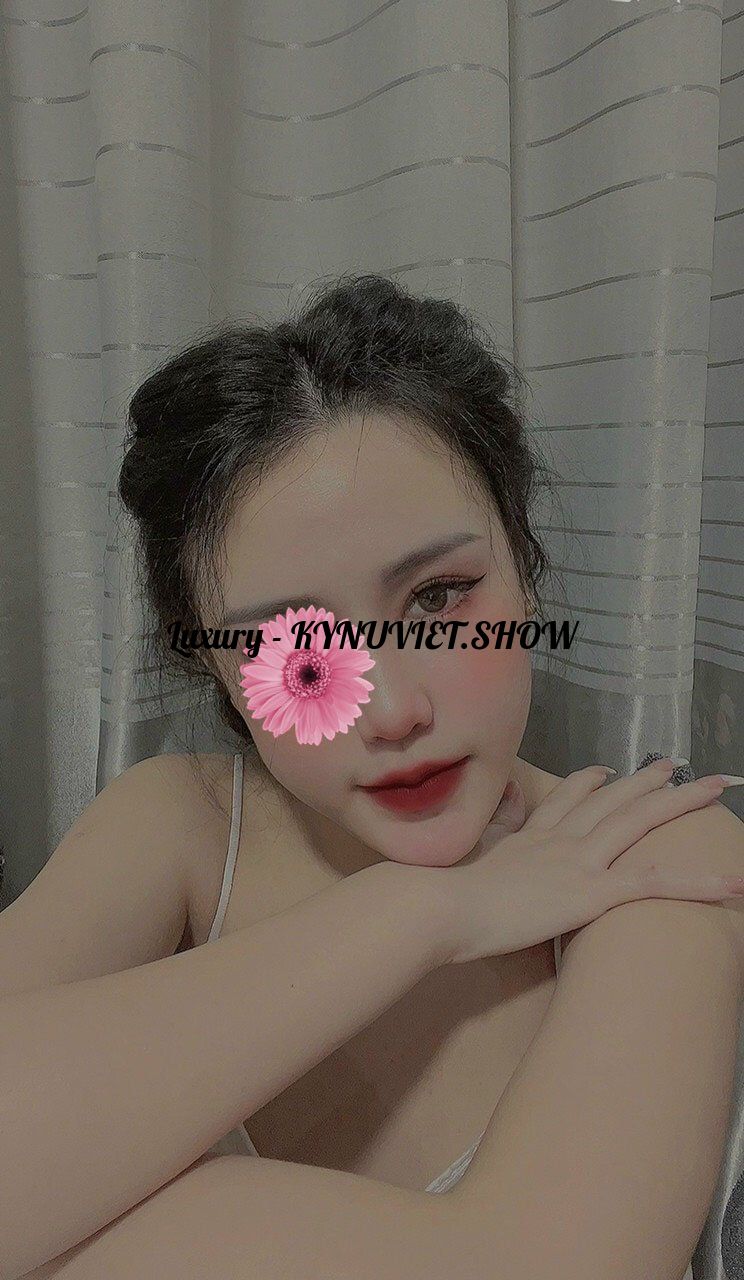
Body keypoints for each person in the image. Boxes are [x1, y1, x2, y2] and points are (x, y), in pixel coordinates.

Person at [2, 274, 744, 1280]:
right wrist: (425, 913)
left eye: (439, 597)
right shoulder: (179, 822)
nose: (393, 710)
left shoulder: (656, 852)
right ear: (211, 663)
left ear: (524, 565)